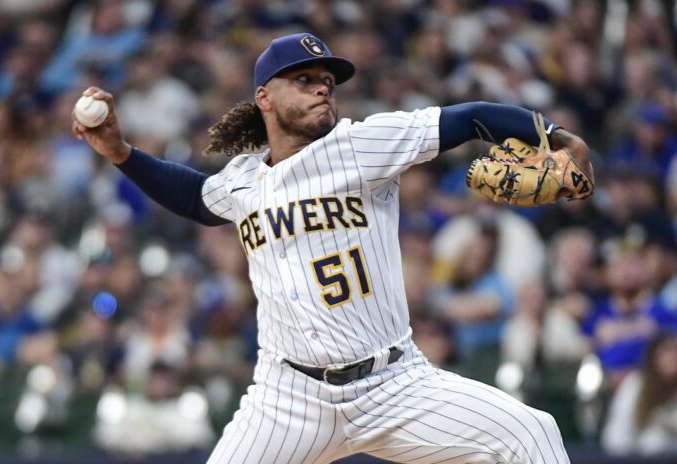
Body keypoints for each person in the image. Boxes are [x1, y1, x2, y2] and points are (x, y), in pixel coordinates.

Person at [73, 32, 592, 464]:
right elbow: (194, 197)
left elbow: (468, 117)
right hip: (287, 399)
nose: (323, 88)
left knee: (530, 433)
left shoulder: (360, 145)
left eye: (327, 80)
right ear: (264, 97)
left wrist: (559, 138)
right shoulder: (244, 180)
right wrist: (121, 152)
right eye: (304, 80)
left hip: (393, 386)